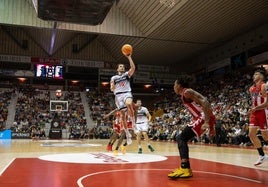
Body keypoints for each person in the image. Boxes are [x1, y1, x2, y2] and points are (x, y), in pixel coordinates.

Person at [168, 75, 216, 179]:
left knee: (181, 138)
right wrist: (211, 126)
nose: (173, 87)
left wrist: (207, 122)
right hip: (200, 117)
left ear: (179, 85)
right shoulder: (185, 93)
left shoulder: (187, 92)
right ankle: (185, 168)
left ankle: (185, 168)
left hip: (202, 117)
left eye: (174, 84)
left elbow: (205, 102)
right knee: (181, 138)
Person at [110, 54, 136, 145]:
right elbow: (111, 88)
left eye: (123, 67)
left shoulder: (126, 75)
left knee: (129, 104)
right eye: (120, 66)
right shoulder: (114, 78)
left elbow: (133, 68)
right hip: (118, 97)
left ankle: (134, 125)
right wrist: (112, 87)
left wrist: (129, 57)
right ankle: (128, 136)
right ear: (117, 69)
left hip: (126, 93)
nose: (122, 67)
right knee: (123, 116)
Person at [248, 66, 268, 166]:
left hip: (263, 112)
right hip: (254, 113)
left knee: (265, 137)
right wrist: (252, 108)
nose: (254, 76)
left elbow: (267, 104)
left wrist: (256, 108)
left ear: (262, 77)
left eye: (256, 74)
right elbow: (254, 102)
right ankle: (262, 155)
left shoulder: (264, 86)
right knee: (251, 134)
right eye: (254, 74)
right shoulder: (251, 88)